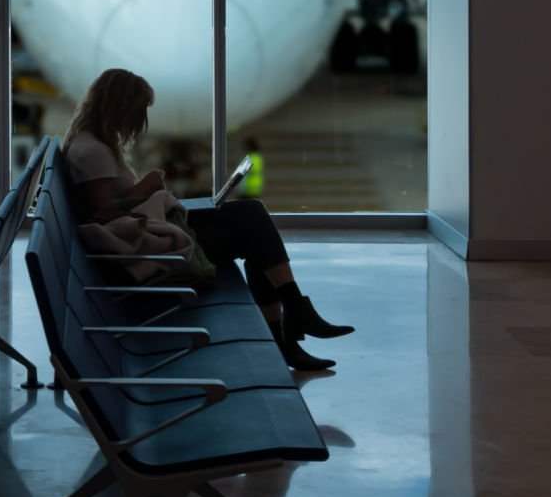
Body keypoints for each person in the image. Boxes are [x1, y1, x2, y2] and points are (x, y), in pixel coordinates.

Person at [64, 68, 353, 371]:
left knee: (251, 221)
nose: (138, 123)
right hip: (143, 249)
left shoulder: (92, 144)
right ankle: (291, 324)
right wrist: (147, 186)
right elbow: (103, 213)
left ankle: (290, 326)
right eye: (137, 112)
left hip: (147, 232)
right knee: (251, 224)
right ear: (118, 106)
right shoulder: (93, 152)